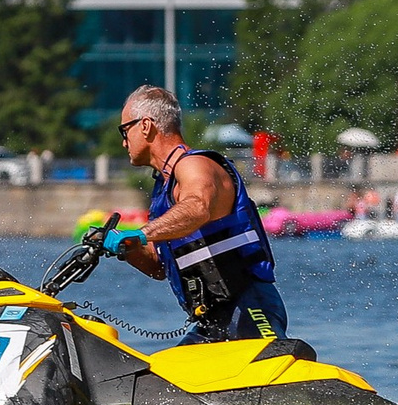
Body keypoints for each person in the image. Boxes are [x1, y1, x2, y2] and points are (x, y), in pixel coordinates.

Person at [107, 84, 288, 344]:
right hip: (210, 321)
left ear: (146, 126)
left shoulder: (195, 165)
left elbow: (197, 208)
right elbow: (159, 268)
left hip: (249, 306)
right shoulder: (163, 190)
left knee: (269, 372)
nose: (124, 141)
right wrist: (127, 247)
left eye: (125, 130)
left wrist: (143, 232)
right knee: (164, 382)